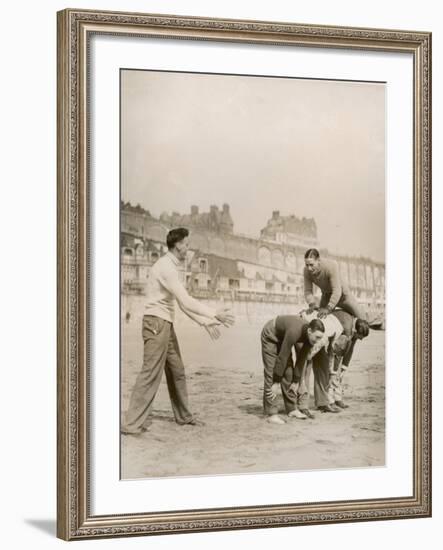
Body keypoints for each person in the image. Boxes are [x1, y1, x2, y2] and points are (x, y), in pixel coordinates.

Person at [121, 228, 235, 435]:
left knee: (177, 371)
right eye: (187, 245)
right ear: (179, 245)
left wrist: (205, 322)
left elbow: (181, 305)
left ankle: (183, 416)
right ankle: (130, 425)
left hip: (164, 324)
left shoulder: (171, 267)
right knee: (150, 373)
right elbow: (186, 300)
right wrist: (214, 313)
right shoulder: (166, 267)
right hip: (156, 324)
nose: (188, 249)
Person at [261, 315, 325, 425]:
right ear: (310, 331)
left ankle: (291, 409)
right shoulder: (294, 332)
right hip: (270, 334)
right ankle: (271, 414)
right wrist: (276, 381)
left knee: (289, 373)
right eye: (317, 337)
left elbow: (301, 358)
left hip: (283, 337)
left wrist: (296, 380)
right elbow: (283, 356)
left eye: (320, 338)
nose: (318, 341)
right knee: (271, 372)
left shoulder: (310, 337)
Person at [303, 248, 366, 320]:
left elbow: (337, 291)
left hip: (343, 296)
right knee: (320, 319)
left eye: (311, 265)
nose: (309, 268)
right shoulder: (306, 271)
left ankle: (378, 320)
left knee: (363, 319)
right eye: (306, 265)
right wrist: (312, 304)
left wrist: (328, 308)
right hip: (326, 296)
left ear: (318, 261)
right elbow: (308, 291)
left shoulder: (331, 266)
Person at [327, 311, 370, 409]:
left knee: (339, 376)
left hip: (338, 348)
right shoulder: (347, 329)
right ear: (357, 332)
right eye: (360, 337)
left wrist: (344, 367)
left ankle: (337, 399)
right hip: (332, 348)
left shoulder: (354, 331)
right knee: (332, 376)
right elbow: (337, 352)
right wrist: (335, 369)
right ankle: (330, 400)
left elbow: (350, 350)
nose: (361, 339)